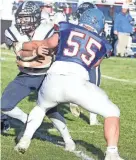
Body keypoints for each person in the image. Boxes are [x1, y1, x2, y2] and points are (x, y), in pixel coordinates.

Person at [15, 8, 123, 160]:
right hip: (77, 83)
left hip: (53, 80)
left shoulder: (66, 28)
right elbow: (94, 64)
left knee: (40, 107)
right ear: (99, 24)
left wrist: (23, 46)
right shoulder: (102, 43)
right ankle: (112, 153)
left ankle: (26, 138)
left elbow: (47, 43)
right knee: (112, 112)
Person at [1, 1, 75, 151]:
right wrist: (35, 51)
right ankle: (27, 120)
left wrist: (36, 48)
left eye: (27, 18)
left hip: (46, 76)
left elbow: (49, 53)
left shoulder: (47, 30)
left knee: (52, 111)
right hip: (25, 75)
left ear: (35, 17)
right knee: (4, 105)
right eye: (21, 18)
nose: (23, 22)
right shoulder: (13, 32)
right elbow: (20, 55)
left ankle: (68, 140)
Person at [70, 2, 112, 125]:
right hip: (92, 60)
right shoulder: (94, 27)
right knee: (94, 87)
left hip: (76, 60)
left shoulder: (75, 27)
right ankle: (93, 119)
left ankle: (73, 99)